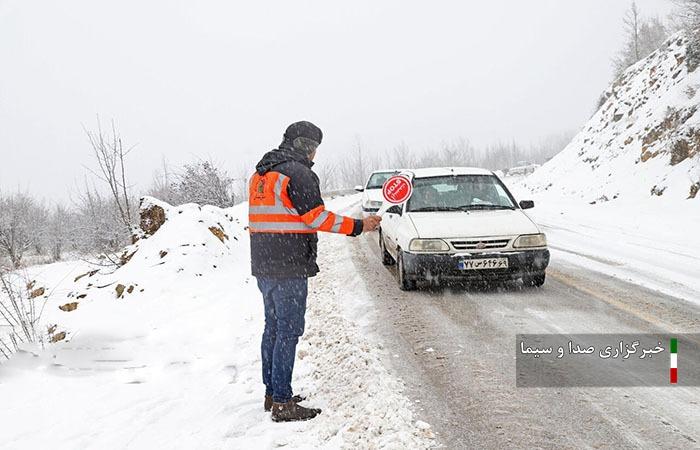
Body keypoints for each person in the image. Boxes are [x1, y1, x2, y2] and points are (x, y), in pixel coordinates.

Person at [248, 121, 381, 422]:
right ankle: (283, 403)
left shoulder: (261, 174)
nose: (315, 156)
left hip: (264, 264)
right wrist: (359, 226)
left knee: (272, 327)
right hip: (288, 266)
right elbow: (316, 217)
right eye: (314, 149)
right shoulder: (298, 173)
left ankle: (273, 392)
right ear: (305, 146)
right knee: (288, 331)